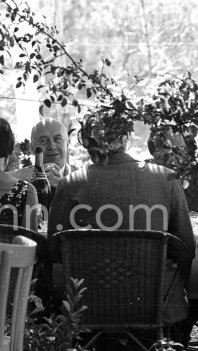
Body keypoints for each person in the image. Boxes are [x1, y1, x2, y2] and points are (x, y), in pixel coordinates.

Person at [48, 109, 196, 348]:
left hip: (88, 309)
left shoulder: (70, 184)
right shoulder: (165, 179)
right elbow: (186, 248)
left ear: (86, 142)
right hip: (154, 307)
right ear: (126, 139)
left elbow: (53, 251)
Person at [8, 118, 77, 188]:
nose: (52, 146)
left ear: (67, 144)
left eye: (57, 139)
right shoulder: (12, 180)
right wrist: (32, 188)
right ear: (32, 148)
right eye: (43, 140)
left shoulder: (84, 179)